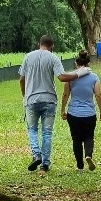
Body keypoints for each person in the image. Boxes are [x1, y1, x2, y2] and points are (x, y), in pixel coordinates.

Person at [19, 36, 88, 174]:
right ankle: (45, 164)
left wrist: (25, 95)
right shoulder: (53, 58)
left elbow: (22, 79)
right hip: (49, 99)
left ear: (39, 44)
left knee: (32, 129)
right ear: (52, 46)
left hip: (31, 99)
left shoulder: (28, 57)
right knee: (47, 132)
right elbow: (62, 77)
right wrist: (79, 74)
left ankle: (36, 154)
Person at [61, 50, 101, 170]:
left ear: (76, 63)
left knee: (76, 139)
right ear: (89, 63)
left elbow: (65, 95)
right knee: (89, 137)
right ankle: (88, 155)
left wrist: (62, 110)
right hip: (89, 114)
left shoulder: (70, 77)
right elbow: (98, 95)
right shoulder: (94, 77)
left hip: (73, 114)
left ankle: (80, 165)